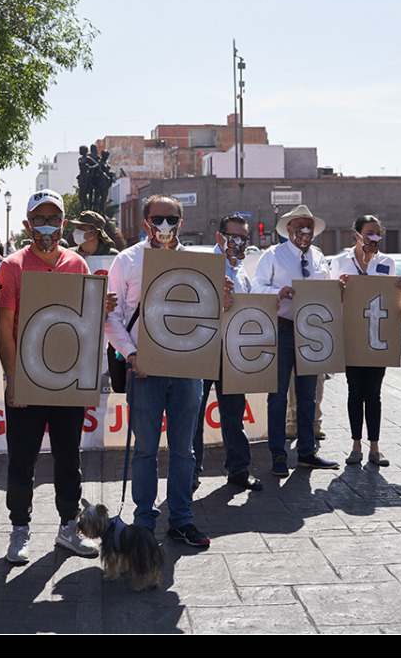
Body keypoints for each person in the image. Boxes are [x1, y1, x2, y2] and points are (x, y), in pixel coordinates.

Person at [104, 194, 228, 549]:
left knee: (184, 450)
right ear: (145, 223)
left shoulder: (198, 263)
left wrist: (225, 301)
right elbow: (111, 316)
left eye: (171, 219)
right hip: (144, 371)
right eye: (157, 219)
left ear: (181, 224)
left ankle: (181, 520)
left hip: (188, 370)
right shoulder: (126, 261)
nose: (164, 226)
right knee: (145, 449)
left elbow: (209, 315)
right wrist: (131, 355)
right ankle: (144, 520)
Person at [0, 189, 111, 564]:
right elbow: (4, 328)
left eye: (53, 218)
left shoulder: (77, 264)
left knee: (69, 458)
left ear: (63, 223)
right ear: (27, 223)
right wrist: (13, 379)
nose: (47, 226)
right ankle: (19, 528)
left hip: (67, 380)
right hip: (27, 380)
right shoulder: (12, 266)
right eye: (39, 219)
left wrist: (102, 306)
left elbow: (84, 322)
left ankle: (68, 527)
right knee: (22, 460)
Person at [253, 205, 340, 473]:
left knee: (307, 395)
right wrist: (278, 293)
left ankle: (306, 451)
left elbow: (326, 288)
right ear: (288, 229)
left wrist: (337, 288)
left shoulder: (318, 256)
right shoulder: (273, 255)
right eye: (300, 226)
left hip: (311, 331)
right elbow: (257, 287)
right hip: (282, 329)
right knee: (278, 395)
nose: (305, 231)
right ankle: (278, 455)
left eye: (309, 227)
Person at [194, 214, 263, 491]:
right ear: (219, 236)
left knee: (234, 413)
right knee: (194, 414)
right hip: (203, 349)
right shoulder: (203, 265)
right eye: (233, 237)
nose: (239, 242)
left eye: (244, 238)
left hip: (231, 351)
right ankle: (191, 472)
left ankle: (238, 469)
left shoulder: (241, 268)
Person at [330, 215, 401, 467]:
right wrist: (338, 289)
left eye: (378, 233)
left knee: (374, 392)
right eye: (369, 233)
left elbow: (392, 301)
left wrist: (400, 291)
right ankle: (355, 445)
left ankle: (375, 447)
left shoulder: (387, 262)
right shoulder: (340, 262)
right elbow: (330, 298)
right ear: (357, 235)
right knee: (354, 391)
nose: (374, 238)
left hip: (377, 337)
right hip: (351, 335)